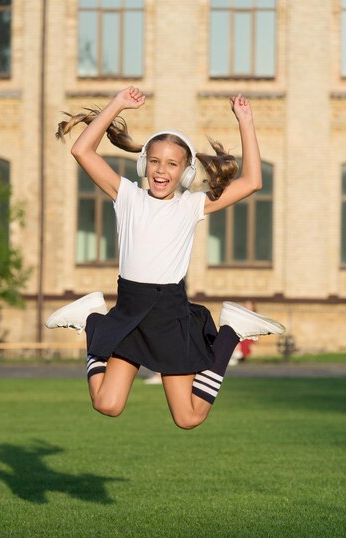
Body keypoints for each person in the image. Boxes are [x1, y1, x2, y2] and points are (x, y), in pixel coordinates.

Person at [45, 86, 285, 429]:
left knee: (189, 417)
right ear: (143, 163)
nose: (162, 170)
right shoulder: (127, 195)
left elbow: (252, 182)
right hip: (129, 309)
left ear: (186, 172)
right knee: (107, 403)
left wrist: (246, 121)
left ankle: (231, 331)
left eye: (172, 164)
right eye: (155, 161)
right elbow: (83, 149)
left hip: (169, 313)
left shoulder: (191, 206)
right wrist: (117, 104)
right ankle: (92, 319)